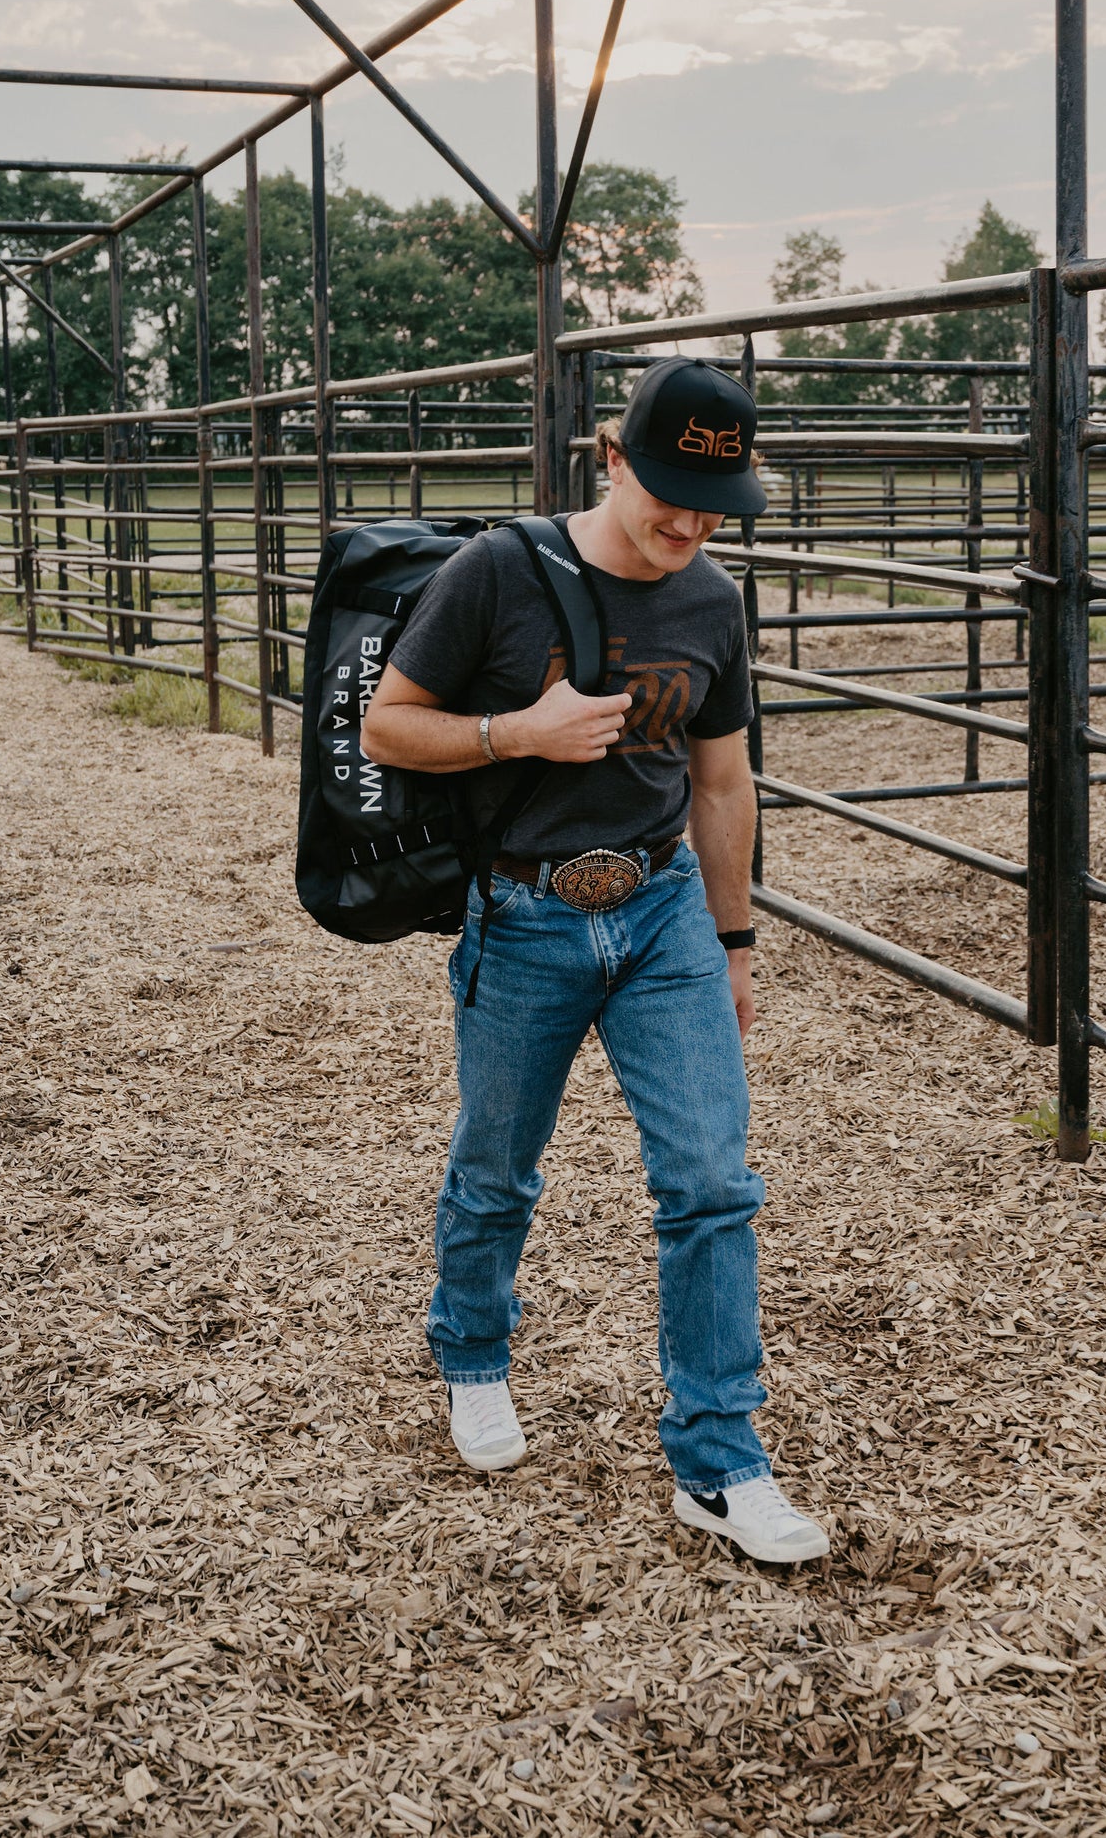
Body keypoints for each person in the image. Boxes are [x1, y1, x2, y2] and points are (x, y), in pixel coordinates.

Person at [360, 356, 829, 1565]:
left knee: (711, 1184)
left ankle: (718, 1461)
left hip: (662, 912)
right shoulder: (497, 575)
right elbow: (387, 722)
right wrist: (518, 731)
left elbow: (722, 780)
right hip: (523, 915)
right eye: (664, 490)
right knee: (498, 1169)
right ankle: (471, 1354)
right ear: (610, 459)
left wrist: (732, 941)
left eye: (710, 506)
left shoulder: (712, 599)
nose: (685, 524)